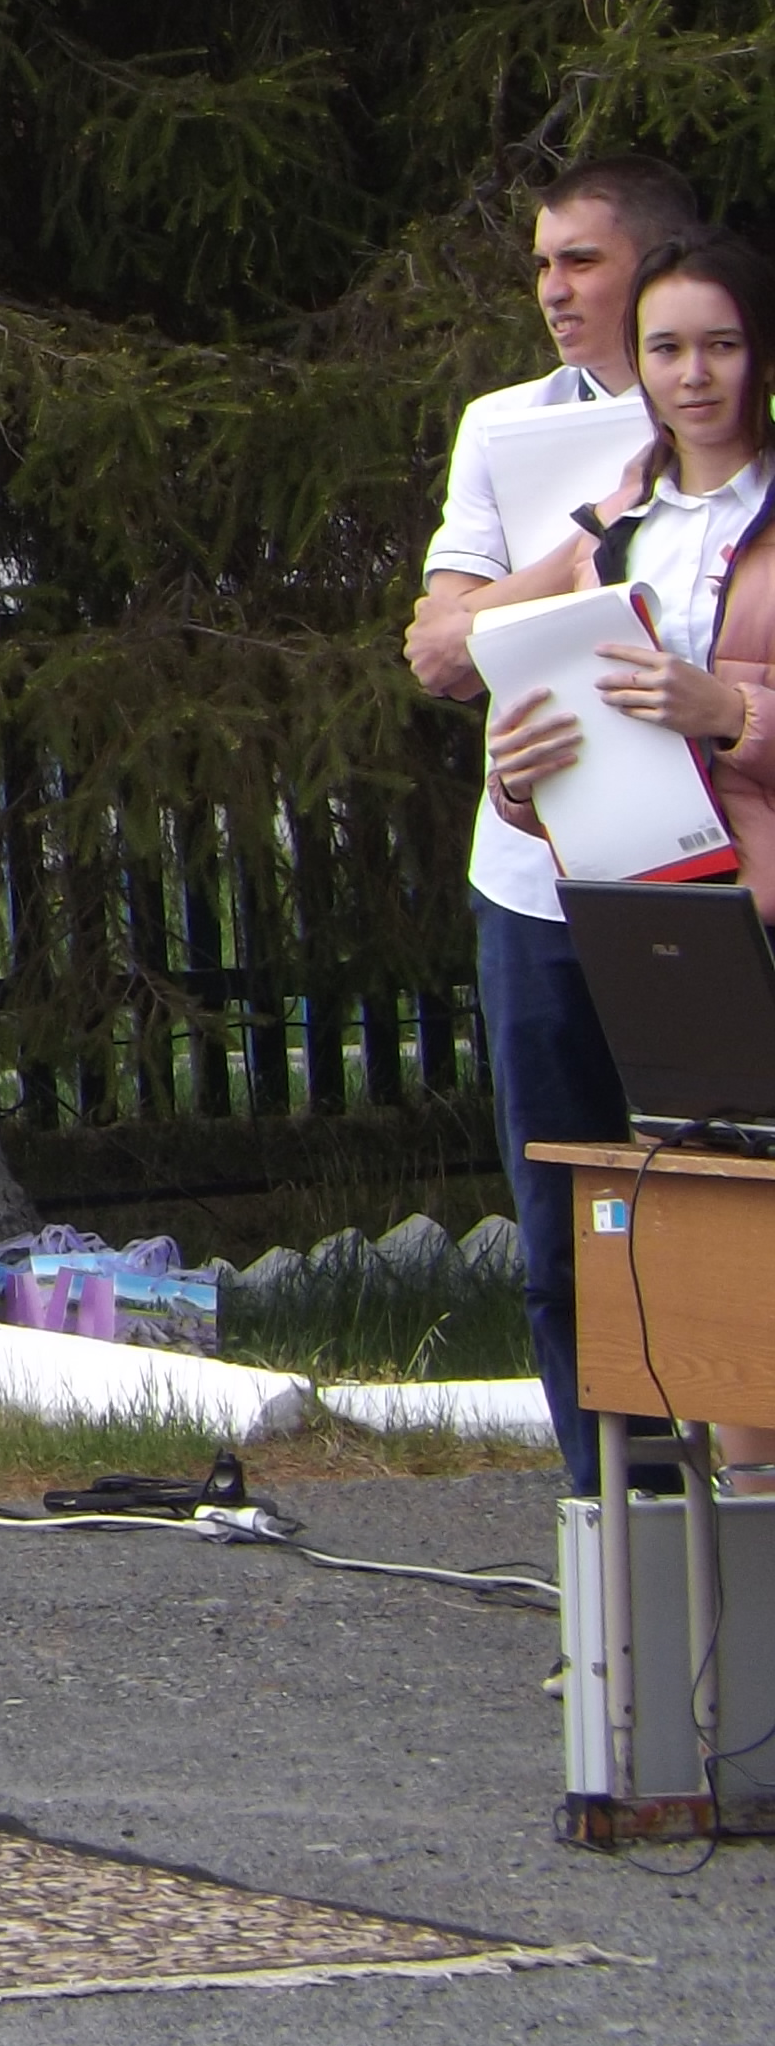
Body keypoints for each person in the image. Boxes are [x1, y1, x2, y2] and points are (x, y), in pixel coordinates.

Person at [401, 154, 699, 1494]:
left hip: (703, 867)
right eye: (540, 264)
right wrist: (584, 550)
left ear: (657, 264)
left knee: (716, 1193)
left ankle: (740, 1507)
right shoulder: (505, 427)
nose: (553, 290)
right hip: (534, 873)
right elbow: (439, 651)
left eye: (581, 260)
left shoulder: (727, 419)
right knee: (565, 1221)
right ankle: (614, 1525)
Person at [475, 227, 775, 1497]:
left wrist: (733, 711)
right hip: (656, 921)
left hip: (764, 906)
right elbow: (554, 728)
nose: (693, 375)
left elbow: (715, 716)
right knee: (713, 1244)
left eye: (720, 345)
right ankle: (723, 1571)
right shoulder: (612, 535)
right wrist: (520, 777)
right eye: (666, 349)